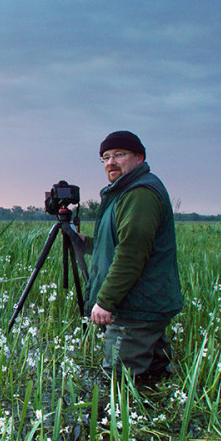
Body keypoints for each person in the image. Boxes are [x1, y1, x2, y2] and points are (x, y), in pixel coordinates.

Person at [83, 131, 183, 385]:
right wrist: (80, 242)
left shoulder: (140, 193)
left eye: (119, 155)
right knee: (152, 379)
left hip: (136, 307)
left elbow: (131, 254)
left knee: (119, 387)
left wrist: (105, 301)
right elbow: (119, 244)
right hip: (142, 303)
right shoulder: (126, 192)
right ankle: (157, 418)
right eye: (105, 157)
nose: (110, 162)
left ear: (139, 157)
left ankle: (117, 425)